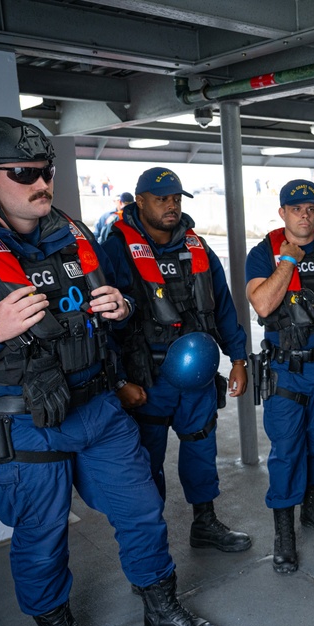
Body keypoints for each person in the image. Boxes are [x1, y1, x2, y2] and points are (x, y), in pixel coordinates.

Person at [0, 117, 224, 626]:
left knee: (143, 510)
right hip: (23, 422)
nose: (41, 182)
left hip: (98, 409)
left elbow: (111, 315)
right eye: (23, 172)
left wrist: (120, 309)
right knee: (42, 535)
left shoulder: (75, 236)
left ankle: (160, 607)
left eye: (45, 170)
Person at [102, 167, 252, 555]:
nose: (171, 205)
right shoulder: (117, 249)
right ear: (140, 201)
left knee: (201, 447)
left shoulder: (198, 246)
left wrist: (239, 358)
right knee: (144, 464)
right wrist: (118, 381)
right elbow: (101, 322)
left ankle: (204, 522)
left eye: (175, 198)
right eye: (161, 198)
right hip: (146, 379)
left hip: (198, 378)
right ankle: (151, 542)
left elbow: (223, 307)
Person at [246, 179, 314, 575]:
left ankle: (311, 507)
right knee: (286, 449)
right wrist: (288, 260)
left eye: (311, 207)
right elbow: (261, 303)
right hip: (287, 369)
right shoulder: (263, 253)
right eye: (297, 208)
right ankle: (284, 532)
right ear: (282, 213)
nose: (305, 214)